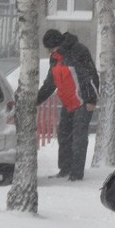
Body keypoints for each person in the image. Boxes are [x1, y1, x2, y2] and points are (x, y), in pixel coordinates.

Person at [36, 29, 99, 181]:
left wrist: (91, 100)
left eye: (50, 48)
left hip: (83, 102)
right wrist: (36, 101)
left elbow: (91, 76)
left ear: (57, 44)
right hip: (68, 102)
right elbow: (50, 83)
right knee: (64, 136)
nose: (49, 51)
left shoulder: (78, 51)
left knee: (78, 138)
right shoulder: (55, 58)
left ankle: (76, 174)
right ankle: (65, 169)